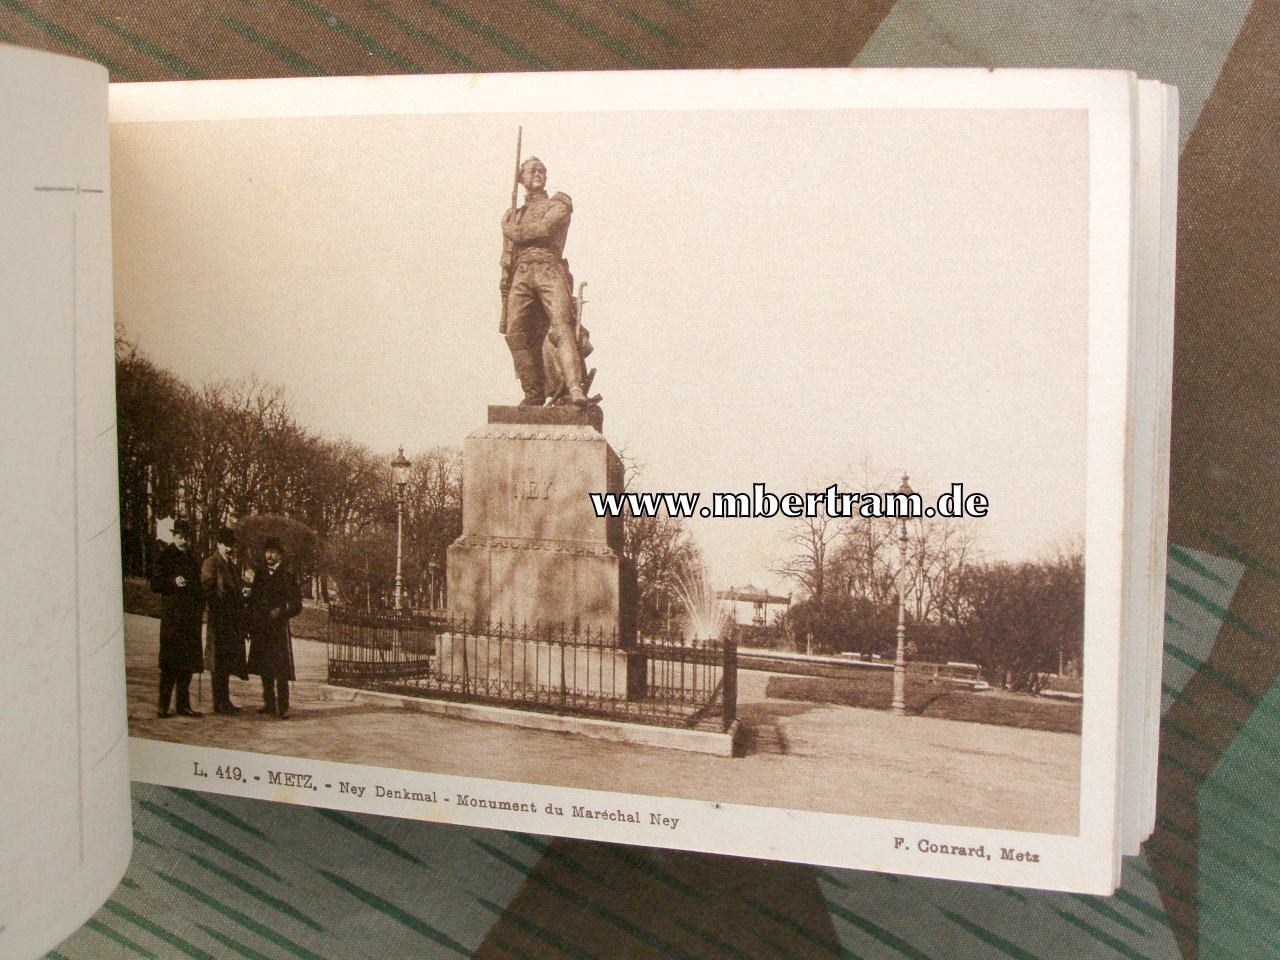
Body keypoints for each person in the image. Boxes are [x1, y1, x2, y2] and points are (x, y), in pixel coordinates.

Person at [499, 156, 590, 406]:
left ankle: (574, 388)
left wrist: (510, 230)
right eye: (531, 171)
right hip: (522, 273)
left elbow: (544, 230)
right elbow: (507, 258)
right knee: (515, 332)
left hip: (550, 268)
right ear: (522, 179)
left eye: (541, 170)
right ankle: (533, 394)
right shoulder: (514, 215)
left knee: (562, 327)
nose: (537, 173)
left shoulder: (558, 203)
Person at [149, 519, 204, 718]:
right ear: (174, 537)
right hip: (173, 618)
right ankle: (163, 705)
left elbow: (199, 586)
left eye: (187, 538)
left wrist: (200, 605)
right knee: (170, 664)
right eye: (181, 537)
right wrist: (172, 581)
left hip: (190, 619)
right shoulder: (165, 556)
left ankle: (183, 705)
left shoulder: (191, 558)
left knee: (187, 664)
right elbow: (154, 583)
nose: (184, 541)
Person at [245, 536, 301, 718]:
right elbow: (254, 601)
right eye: (267, 551)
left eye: (273, 552)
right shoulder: (260, 574)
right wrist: (250, 623)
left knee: (280, 669)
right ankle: (268, 703)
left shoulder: (287, 575)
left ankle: (282, 706)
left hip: (278, 629)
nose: (269, 555)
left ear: (280, 555)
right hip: (261, 627)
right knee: (264, 667)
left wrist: (282, 610)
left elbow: (296, 605)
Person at [201, 526, 248, 714]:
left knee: (227, 662)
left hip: (232, 622)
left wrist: (242, 594)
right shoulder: (211, 563)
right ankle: (218, 702)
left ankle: (224, 700)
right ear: (218, 543)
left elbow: (236, 591)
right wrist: (222, 604)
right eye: (226, 544)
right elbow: (207, 589)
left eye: (231, 545)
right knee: (217, 662)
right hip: (219, 620)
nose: (229, 548)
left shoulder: (233, 567)